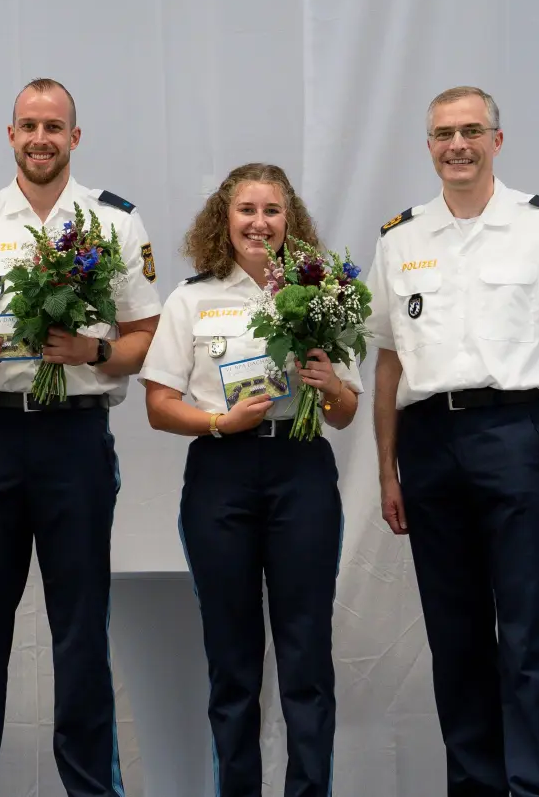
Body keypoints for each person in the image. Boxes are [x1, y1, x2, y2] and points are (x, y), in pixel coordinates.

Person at [0, 78, 161, 797]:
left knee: (80, 632)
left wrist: (95, 355)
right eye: (29, 125)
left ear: (75, 138)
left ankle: (90, 787)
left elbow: (146, 331)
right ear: (11, 135)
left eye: (55, 126)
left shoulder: (112, 222)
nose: (41, 138)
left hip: (76, 441)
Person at [367, 86, 539, 797]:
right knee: (456, 637)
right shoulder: (399, 238)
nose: (457, 145)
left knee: (530, 635)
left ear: (497, 140)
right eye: (443, 134)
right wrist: (385, 470)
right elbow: (386, 363)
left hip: (514, 435)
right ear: (429, 145)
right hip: (428, 442)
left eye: (472, 131)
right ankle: (474, 785)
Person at [138, 163, 361, 797]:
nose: (259, 222)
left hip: (301, 469)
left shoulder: (323, 296)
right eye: (246, 210)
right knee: (232, 661)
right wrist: (218, 422)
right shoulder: (192, 298)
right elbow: (158, 406)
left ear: (292, 221)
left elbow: (345, 414)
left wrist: (331, 384)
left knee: (305, 656)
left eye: (272, 211)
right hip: (221, 474)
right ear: (223, 218)